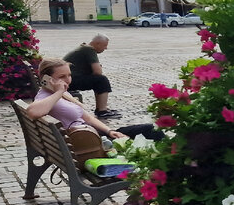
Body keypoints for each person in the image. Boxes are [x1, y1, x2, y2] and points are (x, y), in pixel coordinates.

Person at [28, 58, 161, 146]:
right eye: (62, 76)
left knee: (150, 129)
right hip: (87, 142)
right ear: (46, 78)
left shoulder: (62, 94)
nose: (68, 80)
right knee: (151, 131)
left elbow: (88, 118)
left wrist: (109, 131)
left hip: (93, 135)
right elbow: (33, 112)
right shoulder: (48, 96)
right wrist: (58, 92)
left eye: (69, 75)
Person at [63, 34, 118, 119]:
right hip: (69, 81)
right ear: (97, 43)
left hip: (66, 79)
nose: (106, 48)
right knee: (102, 80)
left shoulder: (84, 48)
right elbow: (98, 72)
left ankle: (100, 108)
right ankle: (102, 111)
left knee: (97, 80)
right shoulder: (89, 50)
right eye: (105, 45)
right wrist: (98, 67)